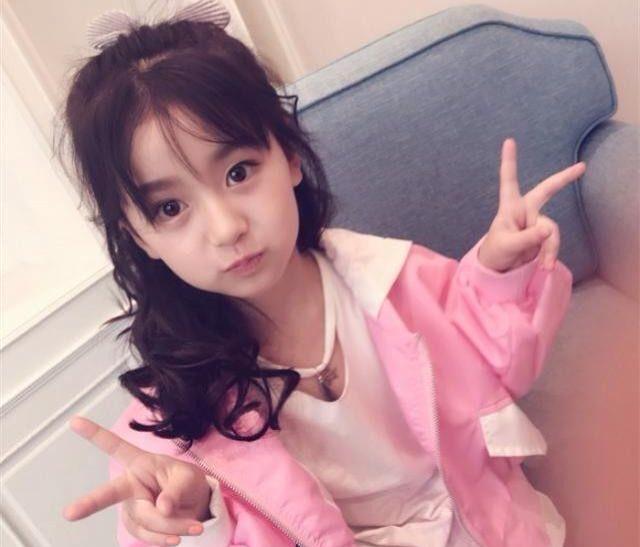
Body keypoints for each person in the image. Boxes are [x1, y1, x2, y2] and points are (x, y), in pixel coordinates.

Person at [58, 1, 585, 545]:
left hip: (488, 525)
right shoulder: (173, 415)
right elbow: (162, 495)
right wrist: (194, 508)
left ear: (289, 154)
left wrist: (499, 275)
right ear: (138, 235)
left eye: (238, 172)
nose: (226, 228)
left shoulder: (397, 279)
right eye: (170, 208)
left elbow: (498, 370)